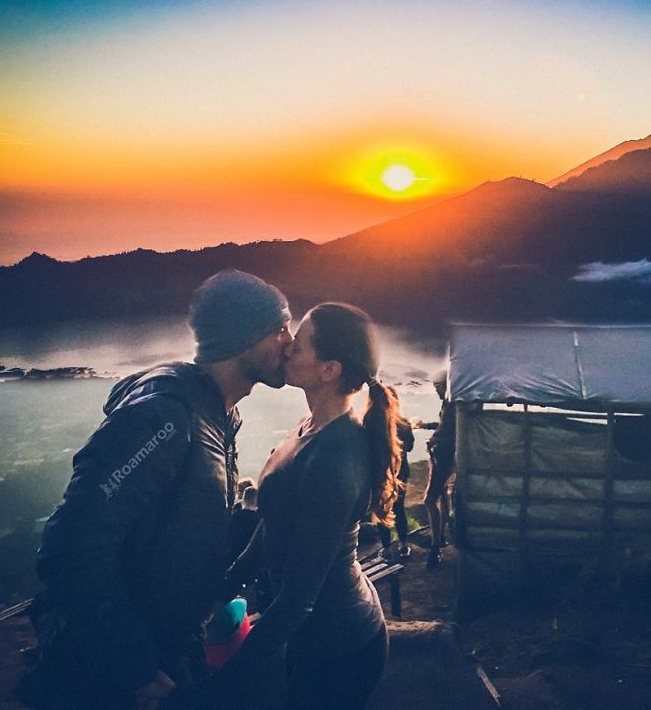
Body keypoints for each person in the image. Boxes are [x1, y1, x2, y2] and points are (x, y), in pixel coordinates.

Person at [17, 269, 293, 710]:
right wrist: (135, 666)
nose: (290, 341)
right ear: (245, 335)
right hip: (106, 678)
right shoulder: (164, 418)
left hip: (164, 655)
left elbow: (178, 529)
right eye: (281, 328)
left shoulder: (218, 414)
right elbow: (69, 548)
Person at [169, 302, 401, 710]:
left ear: (329, 369)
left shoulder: (334, 458)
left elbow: (297, 600)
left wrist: (210, 690)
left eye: (302, 341)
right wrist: (226, 583)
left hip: (342, 648)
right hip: (313, 639)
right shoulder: (310, 426)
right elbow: (273, 522)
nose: (288, 345)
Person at [423, 372, 456, 569]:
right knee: (444, 494)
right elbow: (446, 426)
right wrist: (428, 426)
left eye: (439, 385)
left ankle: (435, 548)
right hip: (447, 454)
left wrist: (434, 439)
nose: (436, 389)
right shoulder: (451, 402)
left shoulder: (451, 404)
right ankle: (441, 535)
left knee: (429, 498)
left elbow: (448, 431)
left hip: (443, 455)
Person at [379, 387, 415, 559]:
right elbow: (410, 447)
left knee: (382, 508)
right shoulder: (404, 423)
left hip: (380, 471)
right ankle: (403, 545)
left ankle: (386, 548)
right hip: (401, 471)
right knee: (399, 508)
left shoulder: (374, 422)